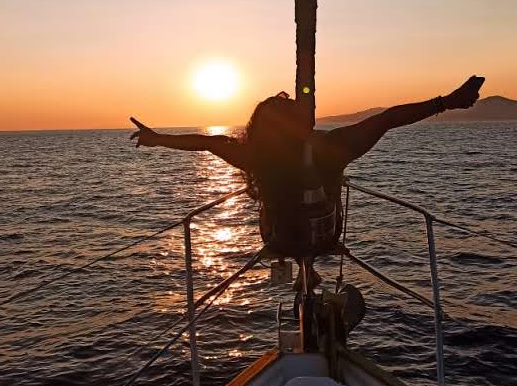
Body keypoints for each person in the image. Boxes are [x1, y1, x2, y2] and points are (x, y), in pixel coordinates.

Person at [130, 75, 484, 281]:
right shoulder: (332, 147)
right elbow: (385, 119)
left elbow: (204, 143)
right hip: (325, 237)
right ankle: (309, 267)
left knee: (283, 217)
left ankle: (303, 267)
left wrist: (155, 138)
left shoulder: (253, 155)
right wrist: (445, 102)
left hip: (279, 240)